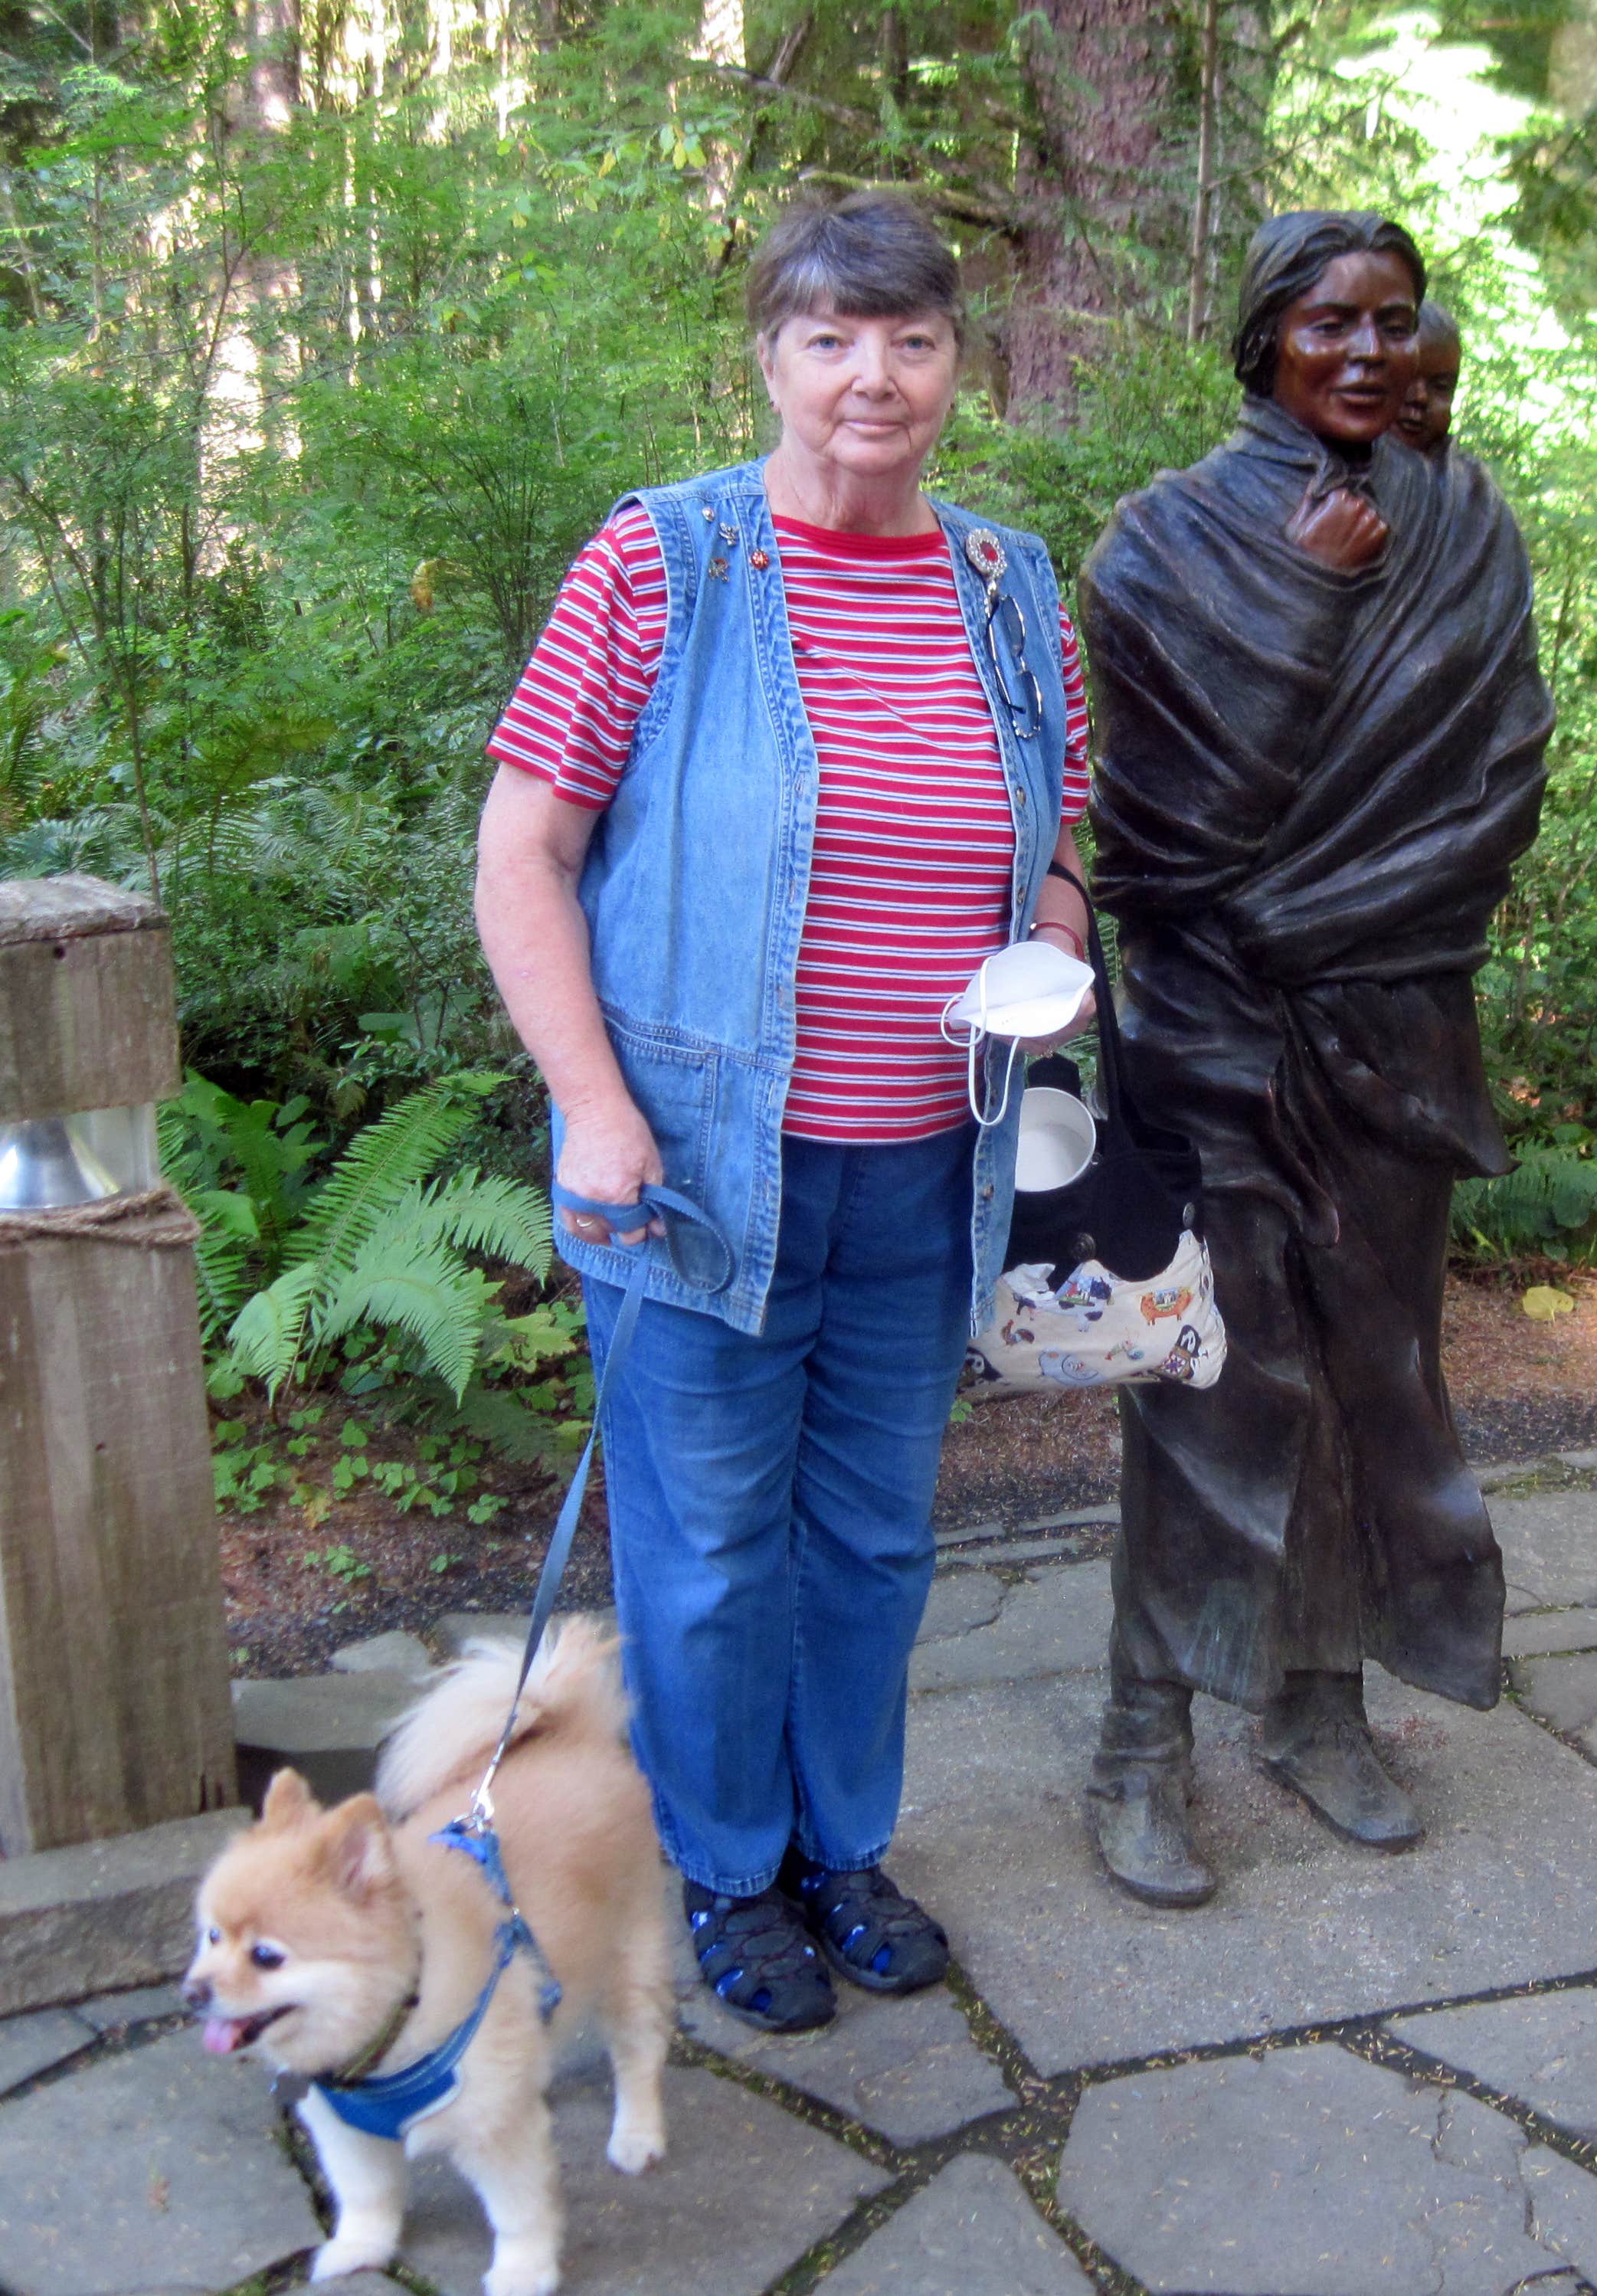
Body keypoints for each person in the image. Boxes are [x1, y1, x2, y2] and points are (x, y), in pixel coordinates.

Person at [474, 192, 1091, 2029]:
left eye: (908, 340)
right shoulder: (662, 563)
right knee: (712, 1541)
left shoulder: (1009, 582)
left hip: (929, 1161)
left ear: (955, 365)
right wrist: (590, 1103)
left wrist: (1054, 926)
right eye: (828, 338)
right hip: (695, 1173)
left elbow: (1074, 819)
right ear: (768, 356)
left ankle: (845, 1846)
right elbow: (525, 850)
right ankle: (732, 1871)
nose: (870, 379)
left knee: (879, 1536)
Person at [1077, 211, 1553, 1908]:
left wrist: (1331, 922)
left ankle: (1319, 1697)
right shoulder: (1162, 544)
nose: (1363, 349)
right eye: (1327, 319)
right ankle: (1143, 1734)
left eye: (1393, 320)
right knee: (1211, 1378)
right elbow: (1153, 838)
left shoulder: (1467, 523)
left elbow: (1500, 784)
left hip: (1397, 1019)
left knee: (1376, 1366)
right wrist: (1302, 598)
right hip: (1214, 1023)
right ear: (1262, 336)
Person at [1396, 297, 1462, 456]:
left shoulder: (1465, 478)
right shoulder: (1333, 468)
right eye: (1406, 378)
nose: (1420, 397)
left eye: (1440, 386)